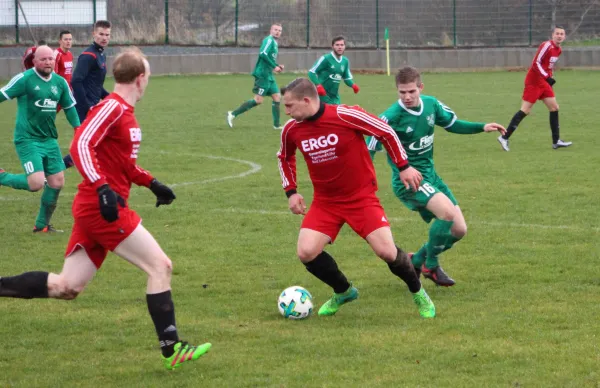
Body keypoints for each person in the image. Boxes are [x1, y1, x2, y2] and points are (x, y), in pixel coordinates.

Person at [0, 48, 211, 370]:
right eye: (149, 75)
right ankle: (172, 346)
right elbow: (80, 144)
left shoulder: (125, 111)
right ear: (141, 78)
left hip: (96, 207)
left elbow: (123, 163)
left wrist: (151, 183)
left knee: (66, 287)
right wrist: (101, 188)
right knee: (161, 267)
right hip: (102, 207)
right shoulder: (112, 107)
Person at [277, 77, 435, 319]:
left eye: (289, 106)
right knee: (306, 252)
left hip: (360, 198)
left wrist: (403, 166)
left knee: (387, 252)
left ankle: (418, 292)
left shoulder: (345, 115)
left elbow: (386, 132)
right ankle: (344, 291)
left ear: (306, 100)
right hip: (325, 202)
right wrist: (292, 191)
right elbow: (285, 157)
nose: (286, 112)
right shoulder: (292, 129)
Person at [367, 66, 506, 286]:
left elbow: (452, 125)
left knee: (459, 230)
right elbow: (369, 148)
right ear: (397, 91)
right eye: (402, 92)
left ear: (420, 87)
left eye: (412, 91)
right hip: (408, 182)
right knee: (447, 214)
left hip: (431, 176)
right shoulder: (390, 117)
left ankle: (418, 259)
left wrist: (482, 127)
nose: (407, 96)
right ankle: (430, 265)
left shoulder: (432, 104)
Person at [0, 45, 80, 233]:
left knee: (57, 182)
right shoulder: (24, 79)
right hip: (27, 139)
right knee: (36, 183)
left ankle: (42, 225)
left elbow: (69, 108)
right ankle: (1, 177)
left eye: (50, 59)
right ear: (34, 61)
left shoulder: (60, 83)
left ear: (55, 60)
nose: (47, 62)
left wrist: (78, 129)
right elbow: (2, 94)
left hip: (49, 140)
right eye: (43, 59)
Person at [498, 26, 571, 151]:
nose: (559, 36)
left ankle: (556, 141)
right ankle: (504, 137)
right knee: (525, 110)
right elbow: (536, 63)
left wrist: (549, 77)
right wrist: (547, 77)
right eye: (557, 33)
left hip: (544, 82)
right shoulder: (546, 45)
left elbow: (549, 66)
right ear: (552, 35)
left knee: (554, 108)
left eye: (562, 34)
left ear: (564, 36)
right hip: (534, 82)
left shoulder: (558, 50)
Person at [63, 20, 111, 169]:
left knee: (89, 145)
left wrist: (110, 98)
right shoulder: (88, 55)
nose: (104, 37)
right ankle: (53, 171)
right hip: (84, 109)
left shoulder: (101, 55)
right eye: (101, 34)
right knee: (85, 146)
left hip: (92, 107)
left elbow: (96, 85)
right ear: (94, 34)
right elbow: (76, 81)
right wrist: (87, 106)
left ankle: (53, 170)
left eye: (107, 35)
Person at [227, 23, 284, 130]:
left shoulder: (275, 43)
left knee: (277, 97)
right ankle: (232, 114)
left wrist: (277, 66)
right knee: (258, 100)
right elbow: (262, 53)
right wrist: (274, 66)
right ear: (271, 30)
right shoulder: (269, 40)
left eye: (280, 30)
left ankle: (276, 125)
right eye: (276, 29)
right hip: (262, 75)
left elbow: (269, 59)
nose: (277, 32)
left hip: (269, 75)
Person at [308, 35, 359, 104]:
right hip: (322, 96)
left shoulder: (345, 61)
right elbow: (311, 72)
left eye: (342, 45)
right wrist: (318, 85)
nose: (340, 47)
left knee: (337, 114)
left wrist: (353, 85)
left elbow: (346, 77)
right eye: (337, 45)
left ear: (345, 47)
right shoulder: (326, 58)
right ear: (332, 46)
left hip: (335, 97)